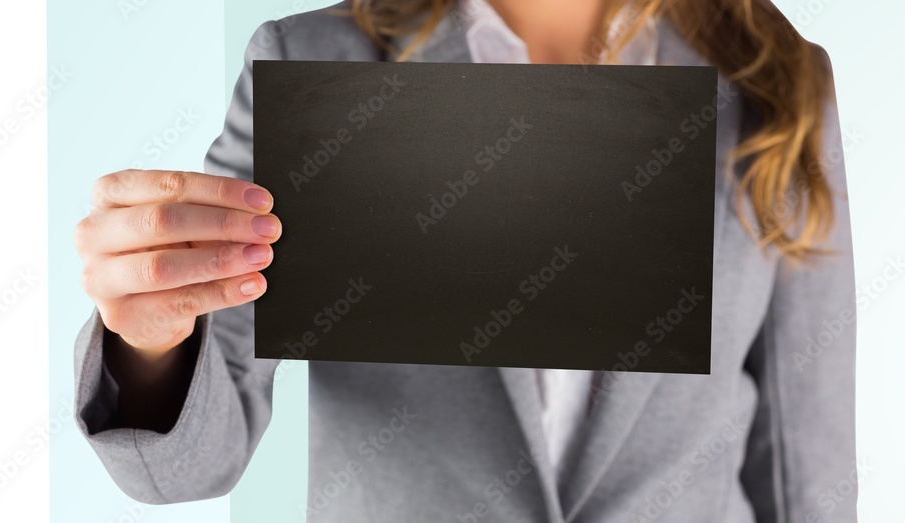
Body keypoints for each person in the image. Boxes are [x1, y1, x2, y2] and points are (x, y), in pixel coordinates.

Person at [71, 0, 856, 521]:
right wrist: (149, 346)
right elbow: (186, 465)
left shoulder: (777, 85)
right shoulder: (314, 59)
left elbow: (803, 459)